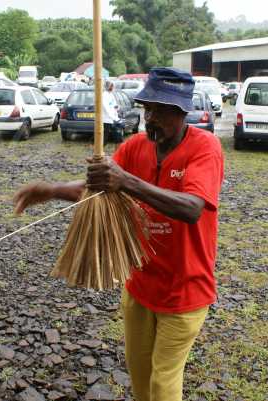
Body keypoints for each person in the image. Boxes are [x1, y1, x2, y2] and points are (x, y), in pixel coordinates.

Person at [13, 67, 224, 401]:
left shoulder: (204, 148)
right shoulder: (135, 147)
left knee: (163, 382)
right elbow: (96, 188)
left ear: (181, 113)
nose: (150, 118)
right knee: (140, 377)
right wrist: (51, 189)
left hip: (184, 290)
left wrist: (126, 181)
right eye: (147, 109)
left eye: (160, 110)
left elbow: (192, 207)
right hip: (140, 284)